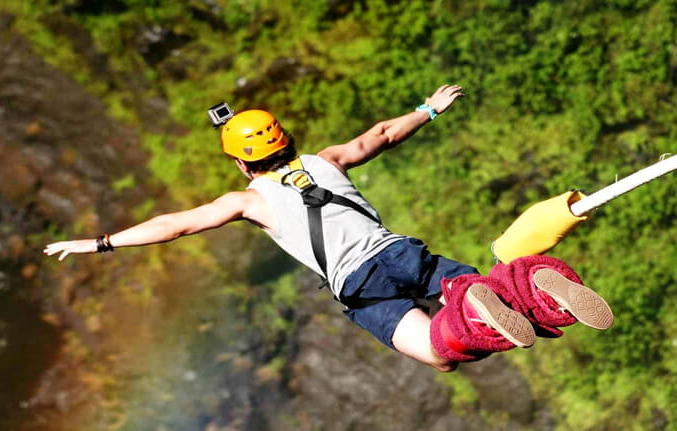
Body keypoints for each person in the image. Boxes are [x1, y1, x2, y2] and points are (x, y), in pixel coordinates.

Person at [44, 84, 613, 372]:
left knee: (440, 351)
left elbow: (173, 226)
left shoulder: (247, 201)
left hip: (359, 286)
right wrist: (430, 109)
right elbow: (382, 135)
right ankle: (533, 282)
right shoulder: (327, 160)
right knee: (488, 287)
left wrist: (100, 242)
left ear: (242, 163)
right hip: (400, 253)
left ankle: (478, 305)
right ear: (286, 141)